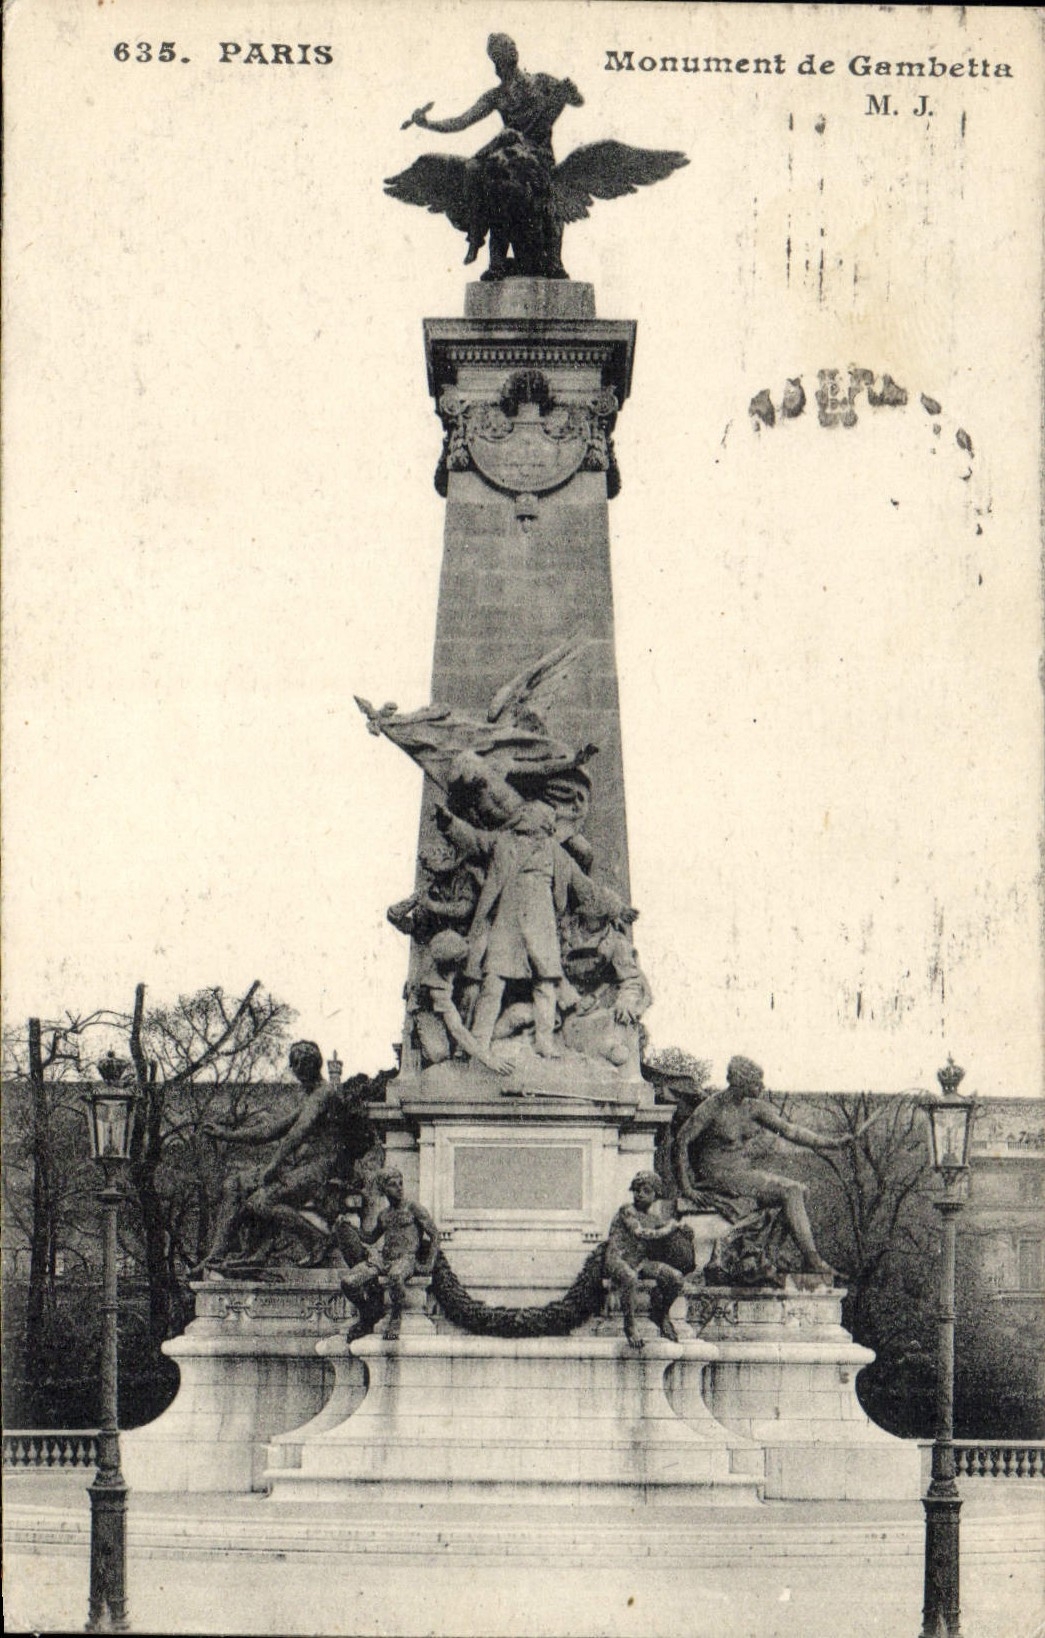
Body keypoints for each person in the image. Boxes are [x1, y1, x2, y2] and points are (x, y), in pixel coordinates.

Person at [437, 798, 630, 1059]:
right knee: (493, 982)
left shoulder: (554, 850)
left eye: (537, 816)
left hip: (541, 923)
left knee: (546, 984)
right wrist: (450, 824)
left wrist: (615, 908)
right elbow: (475, 840)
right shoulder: (504, 842)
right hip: (507, 922)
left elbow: (581, 884)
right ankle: (479, 1042)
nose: (527, 817)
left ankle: (544, 1043)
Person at [675, 1055, 876, 1280]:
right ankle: (812, 1261)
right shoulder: (712, 1107)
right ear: (739, 1082)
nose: (762, 1086)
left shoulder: (754, 1108)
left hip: (742, 1175)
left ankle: (768, 1256)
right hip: (718, 1176)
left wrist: (833, 1143)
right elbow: (682, 1141)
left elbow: (791, 1131)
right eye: (756, 1082)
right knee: (791, 1191)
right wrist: (687, 1188)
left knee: (801, 1191)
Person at [190, 1041, 379, 1276]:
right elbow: (270, 1130)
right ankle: (215, 1258)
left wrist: (273, 1166)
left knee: (260, 1201)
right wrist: (226, 1134)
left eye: (296, 1066)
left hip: (321, 1171)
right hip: (301, 1168)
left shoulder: (324, 1094)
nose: (294, 1071)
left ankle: (316, 1240)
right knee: (234, 1185)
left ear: (309, 1066)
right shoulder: (310, 1097)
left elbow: (296, 1135)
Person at [402, 33, 583, 270]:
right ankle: (477, 236)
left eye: (513, 44)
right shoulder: (495, 96)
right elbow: (460, 122)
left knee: (534, 189)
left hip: (539, 158)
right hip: (509, 155)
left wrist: (571, 93)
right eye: (506, 47)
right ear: (496, 58)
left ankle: (549, 260)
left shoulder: (542, 82)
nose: (513, 49)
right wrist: (427, 124)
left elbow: (576, 100)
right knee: (476, 170)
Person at [337, 1169, 439, 1343]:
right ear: (383, 1189)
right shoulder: (384, 1215)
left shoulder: (413, 1208)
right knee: (348, 1282)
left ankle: (396, 1317)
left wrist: (429, 1263)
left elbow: (434, 1235)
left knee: (395, 1276)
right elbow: (370, 1237)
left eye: (400, 1183)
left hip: (406, 1259)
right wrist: (350, 1227)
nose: (399, 1188)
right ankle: (366, 1313)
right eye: (393, 1185)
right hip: (384, 1260)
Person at [605, 1172, 690, 1348]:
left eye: (646, 1190)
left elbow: (666, 1235)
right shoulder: (627, 1210)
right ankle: (630, 1326)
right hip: (618, 1258)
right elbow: (641, 1233)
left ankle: (661, 1314)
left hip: (640, 1262)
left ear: (655, 1195)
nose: (639, 1194)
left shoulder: (653, 1218)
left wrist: (684, 1232)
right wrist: (670, 1227)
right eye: (636, 1189)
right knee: (629, 1277)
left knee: (675, 1277)